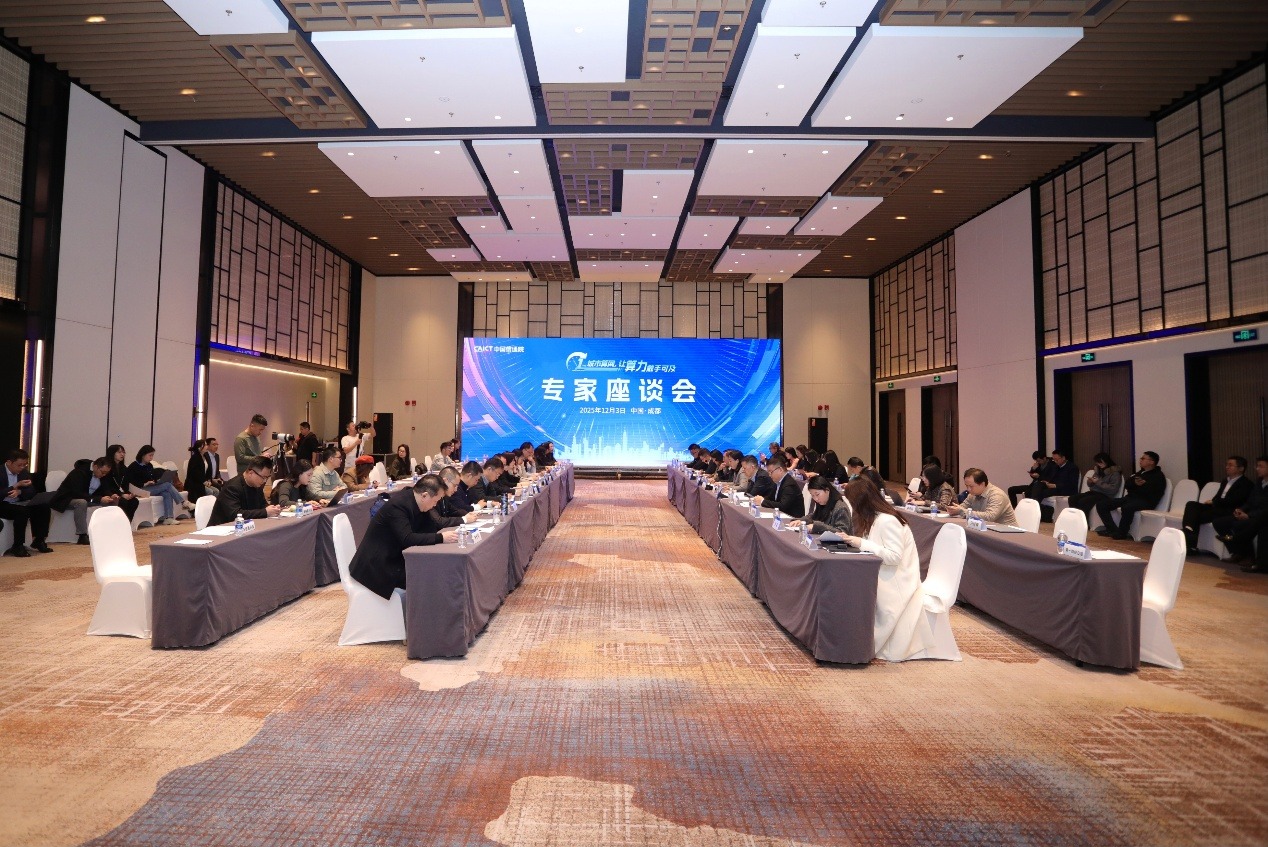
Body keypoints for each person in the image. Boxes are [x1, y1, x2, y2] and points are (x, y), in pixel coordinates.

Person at [838, 476, 934, 661]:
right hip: (883, 570)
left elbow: (894, 557)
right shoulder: (875, 518)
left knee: (853, 586)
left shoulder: (887, 520)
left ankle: (859, 640)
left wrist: (861, 543)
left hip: (897, 578)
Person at [348, 475, 459, 599]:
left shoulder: (418, 501)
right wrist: (441, 538)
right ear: (425, 496)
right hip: (377, 566)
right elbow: (407, 539)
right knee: (429, 576)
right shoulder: (398, 506)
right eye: (435, 501)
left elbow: (430, 528)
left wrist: (440, 537)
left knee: (434, 568)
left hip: (395, 556)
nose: (435, 505)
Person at [1181, 455, 1252, 551]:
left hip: (1227, 511)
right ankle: (1188, 531)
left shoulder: (1246, 484)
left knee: (1194, 517)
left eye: (1230, 465)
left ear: (1241, 468)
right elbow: (1218, 496)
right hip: (1216, 507)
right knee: (1191, 505)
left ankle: (1189, 540)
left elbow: (1234, 501)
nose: (1227, 467)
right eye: (1226, 464)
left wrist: (1214, 502)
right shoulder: (1225, 481)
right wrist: (1213, 502)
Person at [50, 457, 127, 544]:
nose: (104, 475)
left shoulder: (101, 475)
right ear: (95, 467)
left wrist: (111, 495)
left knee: (112, 501)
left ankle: (109, 530)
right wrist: (99, 499)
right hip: (67, 499)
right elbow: (77, 493)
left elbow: (105, 489)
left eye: (106, 473)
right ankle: (82, 535)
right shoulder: (79, 472)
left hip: (88, 498)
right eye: (103, 472)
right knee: (81, 502)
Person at [1212, 456, 1268, 571]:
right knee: (1220, 522)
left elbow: (1266, 508)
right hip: (1252, 514)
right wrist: (1241, 510)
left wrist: (1249, 515)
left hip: (1260, 516)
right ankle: (1238, 552)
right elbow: (1250, 501)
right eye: (1257, 466)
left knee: (1241, 525)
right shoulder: (1259, 482)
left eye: (1261, 466)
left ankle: (1247, 554)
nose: (1257, 469)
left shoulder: (1248, 483)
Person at [1096, 451, 1166, 540]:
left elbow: (1153, 492)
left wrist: (1142, 485)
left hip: (1146, 501)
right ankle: (1112, 530)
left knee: (1127, 507)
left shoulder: (1158, 476)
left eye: (1143, 458)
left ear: (1151, 462)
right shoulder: (1140, 472)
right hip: (1131, 498)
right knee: (1102, 504)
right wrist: (1135, 483)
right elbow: (1127, 484)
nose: (1140, 460)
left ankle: (1122, 533)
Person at [1, 449, 52, 556]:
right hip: (3, 504)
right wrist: (14, 486)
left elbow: (31, 491)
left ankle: (39, 540)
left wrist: (19, 492)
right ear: (9, 462)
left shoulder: (23, 472)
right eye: (19, 465)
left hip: (19, 502)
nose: (22, 467)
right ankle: (18, 545)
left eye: (25, 465)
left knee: (43, 507)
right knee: (22, 511)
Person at [209, 456, 282, 526]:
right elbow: (235, 515)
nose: (265, 481)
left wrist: (273, 509)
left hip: (245, 527)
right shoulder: (232, 487)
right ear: (251, 473)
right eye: (263, 477)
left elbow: (262, 505)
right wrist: (265, 512)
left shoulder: (257, 485)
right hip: (222, 528)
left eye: (267, 478)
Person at [125, 445, 188, 526]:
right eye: (150, 455)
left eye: (152, 455)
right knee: (167, 485)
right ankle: (183, 502)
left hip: (149, 488)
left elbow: (150, 478)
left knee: (166, 493)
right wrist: (144, 484)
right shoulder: (134, 466)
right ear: (143, 455)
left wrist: (156, 481)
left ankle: (168, 518)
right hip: (138, 490)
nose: (151, 458)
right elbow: (130, 482)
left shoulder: (149, 465)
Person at [948, 468, 1018, 526]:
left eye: (971, 486)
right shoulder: (972, 494)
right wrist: (954, 510)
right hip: (986, 529)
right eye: (966, 486)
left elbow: (990, 517)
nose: (968, 489)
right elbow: (963, 507)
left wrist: (962, 511)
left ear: (982, 484)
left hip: (1008, 533)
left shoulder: (997, 495)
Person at [1067, 452, 1122, 520]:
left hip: (1105, 495)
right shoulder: (1098, 470)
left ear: (1106, 461)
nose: (1099, 464)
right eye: (1098, 463)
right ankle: (1075, 519)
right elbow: (1091, 484)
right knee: (1072, 498)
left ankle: (1084, 522)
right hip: (1094, 492)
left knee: (1083, 501)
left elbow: (1113, 489)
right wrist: (1090, 482)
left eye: (1101, 462)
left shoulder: (1115, 473)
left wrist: (1098, 482)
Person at [1034, 449, 1080, 520]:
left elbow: (1072, 484)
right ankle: (1036, 509)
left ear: (1063, 458)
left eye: (1056, 459)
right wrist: (1046, 482)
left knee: (1042, 492)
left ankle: (1037, 511)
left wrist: (1055, 485)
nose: (1055, 461)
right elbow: (1050, 478)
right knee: (1038, 486)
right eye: (1053, 460)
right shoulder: (1055, 467)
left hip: (1065, 490)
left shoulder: (1072, 468)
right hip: (1054, 487)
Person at [103, 444, 142, 522]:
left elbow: (125, 484)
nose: (122, 454)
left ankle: (127, 523)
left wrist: (129, 494)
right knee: (123, 502)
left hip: (120, 493)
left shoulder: (123, 468)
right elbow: (107, 486)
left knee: (134, 501)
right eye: (119, 452)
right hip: (108, 492)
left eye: (123, 452)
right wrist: (121, 494)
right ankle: (120, 523)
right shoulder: (107, 467)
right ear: (112, 453)